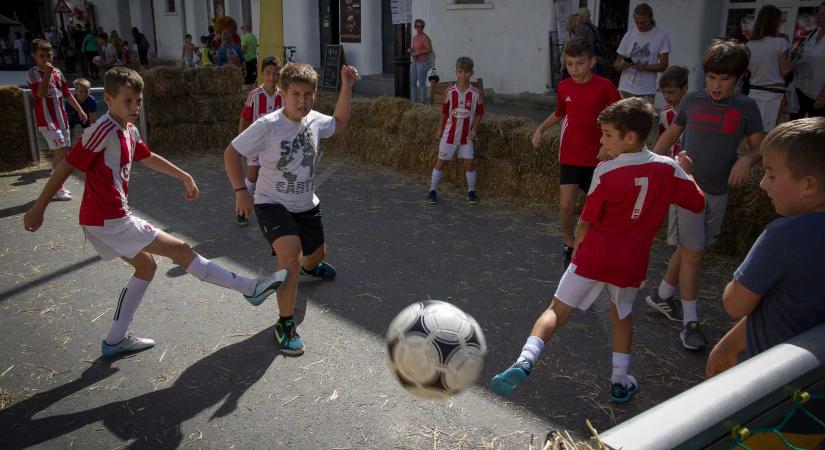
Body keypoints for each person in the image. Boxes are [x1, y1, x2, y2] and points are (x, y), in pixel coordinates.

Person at [23, 67, 288, 358]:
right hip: (110, 218)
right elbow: (66, 165)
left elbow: (147, 157)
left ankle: (115, 339)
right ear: (108, 99)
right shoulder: (102, 130)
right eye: (128, 101)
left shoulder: (129, 129)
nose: (135, 107)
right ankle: (250, 288)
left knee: (146, 267)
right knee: (182, 249)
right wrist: (39, 208)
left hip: (104, 219)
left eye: (139, 101)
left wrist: (184, 175)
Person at [489, 98, 705, 402]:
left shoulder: (605, 171)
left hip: (594, 254)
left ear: (629, 137)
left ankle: (525, 360)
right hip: (630, 263)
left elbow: (587, 219)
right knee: (622, 317)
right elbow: (698, 202)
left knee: (556, 310)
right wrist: (688, 171)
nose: (601, 140)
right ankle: (619, 380)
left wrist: (577, 251)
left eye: (606, 134)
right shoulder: (668, 169)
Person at [224, 62, 358, 355]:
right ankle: (285, 323)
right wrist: (240, 192)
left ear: (315, 94)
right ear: (283, 93)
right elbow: (231, 153)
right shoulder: (268, 125)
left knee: (315, 256)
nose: (303, 101)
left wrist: (347, 86)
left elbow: (339, 122)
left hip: (306, 205)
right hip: (271, 203)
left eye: (308, 94)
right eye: (296, 94)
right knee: (291, 257)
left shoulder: (314, 121)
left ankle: (312, 265)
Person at [648, 40, 764, 350]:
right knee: (694, 254)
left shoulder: (747, 108)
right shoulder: (692, 101)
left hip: (718, 192)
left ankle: (661, 295)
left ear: (739, 78)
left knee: (690, 249)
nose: (716, 84)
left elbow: (759, 145)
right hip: (687, 188)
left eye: (724, 79)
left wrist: (746, 159)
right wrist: (650, 164)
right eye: (711, 77)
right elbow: (672, 134)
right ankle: (690, 323)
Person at [706, 117, 825, 377]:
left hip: (771, 376)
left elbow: (735, 305)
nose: (762, 184)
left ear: (808, 185)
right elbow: (786, 303)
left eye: (771, 175)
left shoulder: (783, 236)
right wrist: (731, 342)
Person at [531, 38, 621, 269]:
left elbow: (620, 116)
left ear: (591, 62)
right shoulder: (564, 87)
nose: (575, 70)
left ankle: (595, 245)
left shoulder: (605, 87)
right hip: (571, 154)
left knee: (598, 208)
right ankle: (569, 243)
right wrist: (540, 128)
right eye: (569, 64)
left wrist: (608, 146)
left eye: (580, 63)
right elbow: (560, 112)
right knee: (566, 205)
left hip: (599, 157)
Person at [26, 39, 88, 201]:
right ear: (34, 56)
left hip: (61, 118)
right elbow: (40, 94)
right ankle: (56, 185)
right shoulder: (32, 73)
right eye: (42, 56)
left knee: (64, 152)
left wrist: (80, 110)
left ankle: (57, 183)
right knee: (60, 151)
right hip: (47, 120)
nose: (46, 59)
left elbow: (67, 94)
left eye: (49, 55)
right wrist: (47, 73)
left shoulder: (58, 73)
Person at [426, 57, 484, 205]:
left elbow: (480, 112)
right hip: (449, 134)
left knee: (469, 164)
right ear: (456, 72)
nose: (463, 75)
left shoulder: (476, 93)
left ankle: (471, 191)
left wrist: (474, 129)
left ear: (471, 73)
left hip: (466, 137)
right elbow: (445, 112)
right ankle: (432, 190)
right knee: (441, 162)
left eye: (466, 72)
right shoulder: (450, 91)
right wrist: (440, 128)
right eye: (460, 72)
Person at [235, 56, 283, 226]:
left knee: (274, 177)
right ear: (262, 74)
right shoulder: (255, 95)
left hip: (275, 146)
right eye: (268, 73)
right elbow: (244, 117)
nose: (272, 77)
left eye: (275, 74)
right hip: (256, 143)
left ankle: (275, 213)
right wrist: (242, 141)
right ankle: (242, 211)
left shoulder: (283, 96)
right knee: (253, 176)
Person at [747, 5, 793, 131]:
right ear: (774, 22)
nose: (781, 22)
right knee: (769, 133)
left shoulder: (750, 45)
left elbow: (748, 70)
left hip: (754, 91)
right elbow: (784, 70)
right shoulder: (781, 42)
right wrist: (794, 62)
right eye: (779, 20)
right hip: (774, 94)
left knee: (753, 131)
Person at [614, 3, 670, 103]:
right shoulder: (629, 34)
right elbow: (617, 63)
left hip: (646, 90)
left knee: (643, 118)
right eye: (637, 22)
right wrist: (622, 65)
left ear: (650, 18)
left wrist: (644, 67)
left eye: (643, 22)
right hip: (625, 88)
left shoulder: (661, 36)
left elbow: (664, 65)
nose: (640, 25)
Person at [791, 1, 825, 119]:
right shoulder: (813, 33)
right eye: (818, 13)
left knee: (813, 133)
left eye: (823, 14)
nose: (818, 17)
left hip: (817, 95)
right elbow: (804, 56)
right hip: (800, 88)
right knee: (793, 127)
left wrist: (822, 97)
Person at [656, 66, 689, 158]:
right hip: (673, 162)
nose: (666, 96)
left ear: (685, 88)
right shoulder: (664, 113)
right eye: (663, 92)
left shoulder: (694, 112)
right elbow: (660, 137)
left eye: (671, 92)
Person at [66, 77, 97, 144]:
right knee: (70, 138)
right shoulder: (71, 101)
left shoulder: (91, 100)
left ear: (89, 90)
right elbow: (66, 116)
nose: (83, 94)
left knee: (87, 138)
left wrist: (92, 131)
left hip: (85, 121)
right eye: (80, 91)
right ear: (76, 91)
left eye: (86, 91)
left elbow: (92, 118)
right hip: (72, 121)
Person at [409, 19, 433, 103]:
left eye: (422, 26)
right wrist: (411, 50)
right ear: (415, 27)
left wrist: (419, 52)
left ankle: (423, 102)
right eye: (418, 26)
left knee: (422, 83)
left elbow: (429, 49)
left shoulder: (425, 38)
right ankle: (413, 101)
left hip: (423, 63)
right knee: (412, 83)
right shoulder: (414, 38)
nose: (420, 28)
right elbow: (414, 48)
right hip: (414, 62)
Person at [240, 23, 259, 88]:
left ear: (246, 29)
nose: (242, 30)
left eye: (242, 28)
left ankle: (248, 96)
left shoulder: (244, 37)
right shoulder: (254, 37)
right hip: (254, 59)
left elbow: (243, 50)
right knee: (253, 79)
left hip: (247, 60)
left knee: (247, 79)